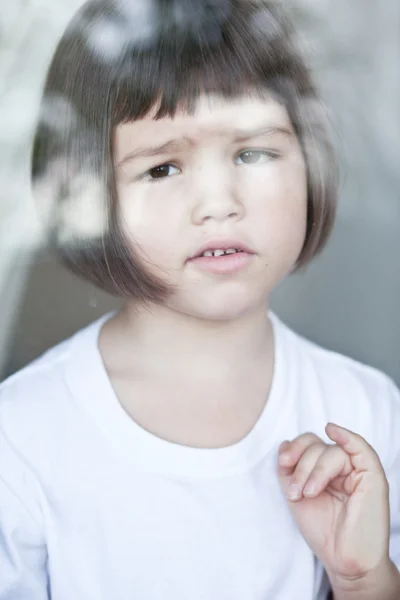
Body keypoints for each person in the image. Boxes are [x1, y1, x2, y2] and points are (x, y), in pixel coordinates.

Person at [0, 1, 399, 598]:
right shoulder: (23, 434)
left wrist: (361, 576)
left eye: (251, 153)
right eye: (162, 168)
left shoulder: (365, 411)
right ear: (89, 191)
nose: (219, 202)